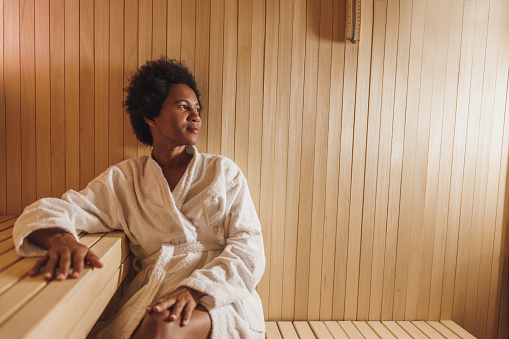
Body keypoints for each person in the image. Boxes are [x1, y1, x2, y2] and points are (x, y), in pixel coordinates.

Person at [12, 57, 266, 339]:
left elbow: (249, 249)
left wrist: (194, 289)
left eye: (197, 108)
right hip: (158, 293)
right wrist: (62, 239)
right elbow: (55, 208)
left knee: (160, 326)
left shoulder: (222, 172)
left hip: (220, 297)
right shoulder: (125, 180)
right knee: (156, 323)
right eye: (183, 107)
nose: (195, 116)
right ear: (150, 115)